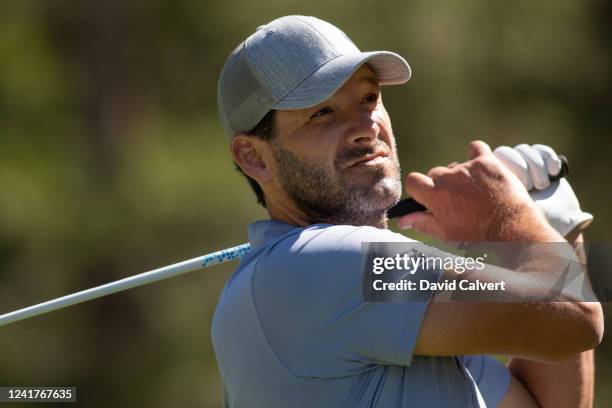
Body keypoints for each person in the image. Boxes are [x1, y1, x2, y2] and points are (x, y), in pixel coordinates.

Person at [212, 15, 603, 407]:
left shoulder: (381, 314)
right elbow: (574, 315)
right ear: (253, 157)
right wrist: (509, 219)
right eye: (322, 112)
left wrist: (552, 229)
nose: (366, 127)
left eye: (368, 98)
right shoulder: (319, 265)